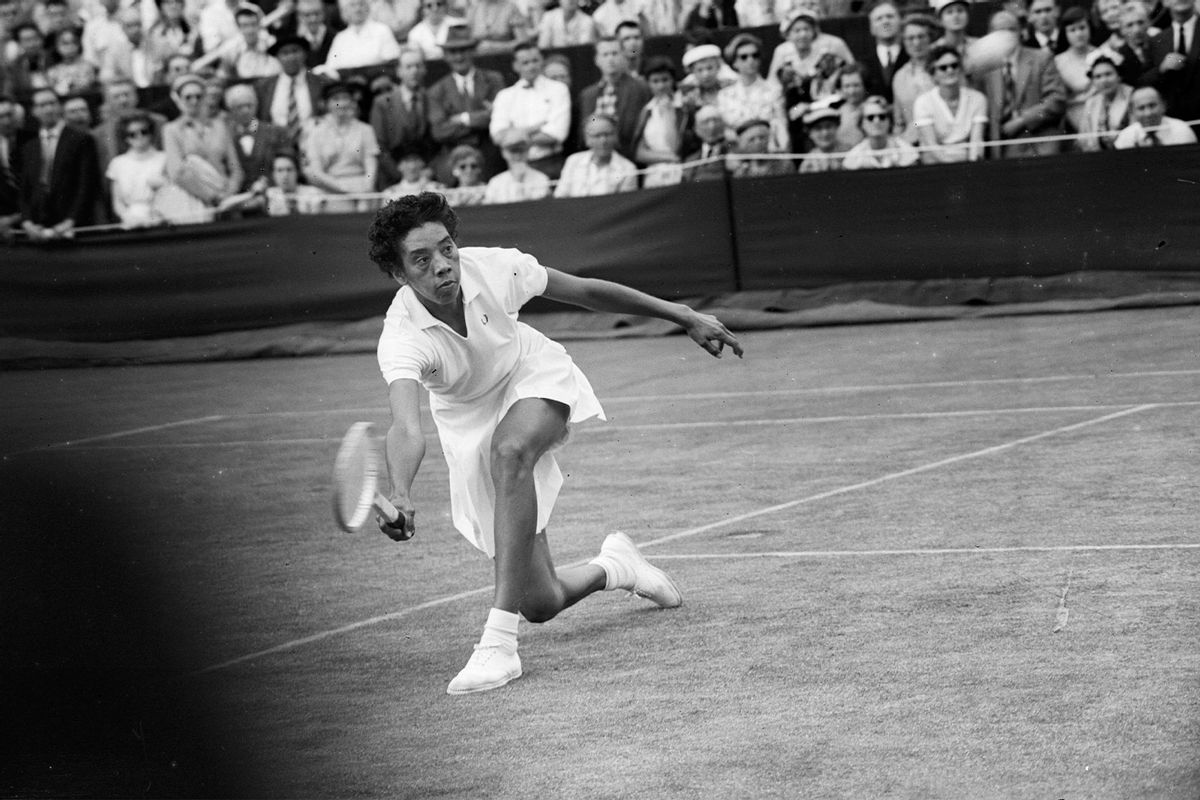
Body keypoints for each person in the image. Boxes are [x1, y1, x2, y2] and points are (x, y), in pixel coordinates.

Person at [368, 191, 742, 694]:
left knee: (511, 450)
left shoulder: (496, 268)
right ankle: (618, 566)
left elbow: (585, 291)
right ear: (399, 274)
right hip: (467, 423)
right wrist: (402, 493)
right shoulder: (401, 337)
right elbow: (407, 427)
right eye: (421, 259)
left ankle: (498, 645)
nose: (442, 265)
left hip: (531, 375)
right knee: (540, 602)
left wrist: (682, 314)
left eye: (447, 248)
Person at [977, 9, 1067, 158]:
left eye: (1011, 29)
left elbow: (1056, 101)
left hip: (1039, 145)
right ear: (989, 35)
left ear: (1020, 31)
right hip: (1000, 150)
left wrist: (1022, 120)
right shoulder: (985, 69)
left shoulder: (1042, 59)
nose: (1006, 35)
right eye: (999, 31)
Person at [427, 25, 506, 183]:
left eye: (463, 50)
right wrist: (482, 117)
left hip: (488, 151)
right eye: (453, 52)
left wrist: (462, 118)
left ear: (472, 51)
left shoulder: (493, 80)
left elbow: (500, 117)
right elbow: (439, 131)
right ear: (446, 56)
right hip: (453, 154)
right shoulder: (437, 90)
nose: (459, 57)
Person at [18, 87, 100, 239]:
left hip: (73, 227)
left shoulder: (81, 139)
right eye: (42, 105)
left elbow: (86, 185)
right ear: (34, 111)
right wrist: (27, 222)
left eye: (52, 103)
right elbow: (25, 190)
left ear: (60, 107)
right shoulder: (29, 147)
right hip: (38, 228)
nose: (48, 109)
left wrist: (70, 221)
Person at [488, 41, 570, 180]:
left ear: (542, 61)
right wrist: (535, 128)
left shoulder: (558, 89)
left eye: (535, 61)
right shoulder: (505, 96)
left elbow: (556, 134)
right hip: (514, 165)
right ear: (515, 66)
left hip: (550, 163)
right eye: (525, 63)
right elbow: (497, 136)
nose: (531, 66)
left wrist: (515, 134)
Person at [161, 73, 244, 210]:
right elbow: (177, 172)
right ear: (179, 100)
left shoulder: (220, 126)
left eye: (198, 96)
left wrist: (230, 192)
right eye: (188, 97)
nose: (194, 101)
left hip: (224, 193)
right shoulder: (172, 130)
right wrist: (212, 197)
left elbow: (235, 168)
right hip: (192, 197)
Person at [303, 81, 380, 211]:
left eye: (346, 98)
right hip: (332, 189)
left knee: (366, 208)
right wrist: (346, 190)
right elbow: (316, 172)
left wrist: (366, 188)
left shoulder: (365, 130)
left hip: (363, 188)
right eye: (336, 99)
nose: (342, 103)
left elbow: (371, 166)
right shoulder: (316, 133)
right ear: (326, 104)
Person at [576, 36, 651, 160]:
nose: (610, 59)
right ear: (596, 60)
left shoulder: (640, 88)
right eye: (605, 55)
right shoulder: (587, 95)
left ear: (623, 57)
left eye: (615, 53)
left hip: (629, 158)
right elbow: (583, 136)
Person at [371, 45, 435, 187]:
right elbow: (379, 145)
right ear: (399, 72)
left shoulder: (431, 98)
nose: (414, 71)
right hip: (393, 175)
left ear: (424, 69)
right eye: (408, 67)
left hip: (426, 174)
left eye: (418, 66)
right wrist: (401, 175)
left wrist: (426, 171)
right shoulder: (382, 103)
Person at [716, 32, 789, 153]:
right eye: (744, 57)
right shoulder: (724, 95)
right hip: (738, 152)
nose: (750, 60)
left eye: (755, 56)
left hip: (769, 150)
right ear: (734, 62)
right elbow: (725, 130)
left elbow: (781, 124)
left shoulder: (774, 90)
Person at [913, 43, 987, 163]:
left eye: (954, 65)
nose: (950, 70)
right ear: (933, 74)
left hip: (967, 162)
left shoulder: (978, 99)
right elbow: (931, 145)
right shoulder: (922, 102)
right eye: (943, 67)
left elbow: (977, 141)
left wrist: (973, 167)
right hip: (934, 163)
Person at [631, 55, 688, 186]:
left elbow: (674, 146)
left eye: (665, 80)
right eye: (655, 81)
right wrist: (668, 158)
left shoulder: (684, 108)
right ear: (648, 83)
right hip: (654, 177)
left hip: (681, 174)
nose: (661, 86)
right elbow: (639, 153)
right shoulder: (646, 110)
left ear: (673, 80)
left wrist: (668, 113)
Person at [256, 34, 325, 143]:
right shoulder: (264, 86)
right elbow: (256, 120)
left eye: (295, 51)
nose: (291, 57)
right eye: (285, 53)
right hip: (276, 145)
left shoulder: (320, 83)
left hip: (313, 143)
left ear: (304, 54)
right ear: (277, 57)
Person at [1141, 0, 1200, 124]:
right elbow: (1144, 80)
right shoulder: (1157, 40)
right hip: (1173, 122)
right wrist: (1161, 69)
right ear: (1164, 2)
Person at [105, 110, 167, 226]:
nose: (139, 136)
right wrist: (128, 217)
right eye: (132, 134)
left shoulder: (164, 158)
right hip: (130, 221)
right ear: (126, 138)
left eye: (144, 132)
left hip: (159, 220)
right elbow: (117, 202)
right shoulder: (117, 163)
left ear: (151, 133)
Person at [225, 82, 290, 192]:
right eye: (239, 107)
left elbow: (286, 163)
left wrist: (267, 182)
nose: (245, 110)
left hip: (271, 192)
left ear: (256, 106)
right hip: (237, 196)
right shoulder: (227, 135)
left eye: (249, 105)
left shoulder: (275, 131)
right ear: (231, 110)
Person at [554, 112, 637, 196]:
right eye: (597, 136)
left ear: (616, 136)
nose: (603, 141)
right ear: (587, 139)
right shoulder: (573, 161)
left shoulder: (628, 168)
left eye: (608, 135)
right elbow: (560, 196)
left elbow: (626, 204)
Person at [891, 12, 936, 144]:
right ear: (903, 41)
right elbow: (898, 121)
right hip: (912, 142)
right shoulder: (900, 77)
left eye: (921, 37)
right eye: (910, 38)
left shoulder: (944, 68)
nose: (916, 43)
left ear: (930, 38)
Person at [842, 94, 918, 169]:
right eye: (870, 117)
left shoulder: (907, 153)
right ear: (861, 123)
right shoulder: (853, 159)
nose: (877, 121)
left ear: (890, 121)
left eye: (882, 117)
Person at [1076, 49, 1131, 150]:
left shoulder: (1132, 96)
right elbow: (1085, 139)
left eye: (1108, 74)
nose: (1103, 80)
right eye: (1098, 76)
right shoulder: (1092, 103)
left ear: (1119, 76)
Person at [325, 0, 401, 70]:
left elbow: (392, 61)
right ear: (345, 11)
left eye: (361, 4)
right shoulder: (340, 38)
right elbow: (331, 67)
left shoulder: (382, 30)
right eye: (352, 5)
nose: (358, 9)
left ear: (368, 8)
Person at [1054, 6, 1095, 133]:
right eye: (1072, 30)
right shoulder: (1058, 62)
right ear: (1065, 33)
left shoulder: (1102, 54)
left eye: (1082, 28)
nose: (1079, 34)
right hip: (1074, 119)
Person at [1113, 84, 1197, 146]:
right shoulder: (1125, 137)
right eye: (1141, 108)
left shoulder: (1182, 131)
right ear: (1132, 112)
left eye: (1152, 105)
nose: (1148, 113)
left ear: (1163, 105)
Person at [483, 127, 550, 203]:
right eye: (513, 151)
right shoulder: (495, 182)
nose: (517, 156)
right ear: (503, 153)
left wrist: (519, 180)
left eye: (521, 150)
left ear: (527, 151)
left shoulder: (541, 179)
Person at [860, 0, 906, 102]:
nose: (885, 22)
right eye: (879, 19)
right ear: (871, 28)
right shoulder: (863, 63)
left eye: (890, 16)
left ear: (900, 22)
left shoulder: (911, 56)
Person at [265, 149, 325, 214]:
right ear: (273, 174)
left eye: (289, 170)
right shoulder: (268, 195)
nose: (285, 175)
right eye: (280, 170)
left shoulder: (313, 193)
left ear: (297, 172)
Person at [680, 103, 729, 181]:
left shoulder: (732, 153)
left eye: (716, 121)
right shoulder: (690, 161)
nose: (712, 126)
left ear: (723, 126)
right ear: (696, 129)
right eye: (706, 122)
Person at [464, 0, 528, 56]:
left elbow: (523, 42)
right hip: (479, 60)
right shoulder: (473, 9)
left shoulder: (510, 8)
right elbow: (468, 41)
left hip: (505, 59)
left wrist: (495, 46)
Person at [46, 26, 96, 95]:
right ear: (56, 46)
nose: (70, 47)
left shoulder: (88, 66)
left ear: (79, 45)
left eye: (74, 42)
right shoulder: (52, 71)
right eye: (65, 43)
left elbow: (89, 87)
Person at [796, 99, 843, 172]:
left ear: (837, 127)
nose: (825, 133)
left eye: (829, 126)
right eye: (818, 128)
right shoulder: (808, 164)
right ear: (809, 133)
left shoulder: (850, 154)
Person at [1115, 1, 1154, 86]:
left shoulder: (1162, 44)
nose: (1137, 30)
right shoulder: (1119, 57)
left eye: (1140, 22)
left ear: (1149, 23)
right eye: (1129, 25)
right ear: (1122, 30)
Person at [833, 64, 867, 149]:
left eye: (856, 85)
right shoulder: (837, 112)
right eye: (847, 86)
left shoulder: (873, 107)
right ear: (841, 88)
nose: (852, 91)